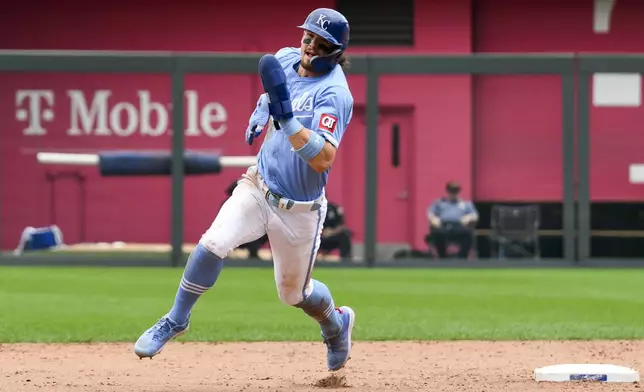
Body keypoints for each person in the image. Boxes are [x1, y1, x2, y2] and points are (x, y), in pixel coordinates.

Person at [134, 8, 356, 372]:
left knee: (293, 294)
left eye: (321, 42)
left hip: (299, 208)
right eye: (308, 37)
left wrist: (286, 122)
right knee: (213, 242)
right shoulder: (286, 58)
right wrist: (261, 112)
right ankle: (176, 319)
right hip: (259, 184)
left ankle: (336, 325)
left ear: (336, 51)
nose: (310, 46)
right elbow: (270, 92)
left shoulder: (334, 94)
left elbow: (324, 159)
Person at [426, 181, 478, 258]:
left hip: (459, 226)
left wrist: (468, 218)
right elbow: (430, 213)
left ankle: (462, 257)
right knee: (437, 233)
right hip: (443, 226)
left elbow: (474, 215)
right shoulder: (439, 203)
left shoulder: (465, 204)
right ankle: (442, 257)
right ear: (447, 191)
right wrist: (434, 219)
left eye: (455, 191)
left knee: (468, 234)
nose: (453, 194)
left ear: (458, 192)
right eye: (451, 191)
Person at [223, 179, 269, 259]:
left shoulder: (252, 202)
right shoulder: (229, 203)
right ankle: (253, 252)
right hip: (237, 235)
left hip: (244, 236)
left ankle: (253, 253)